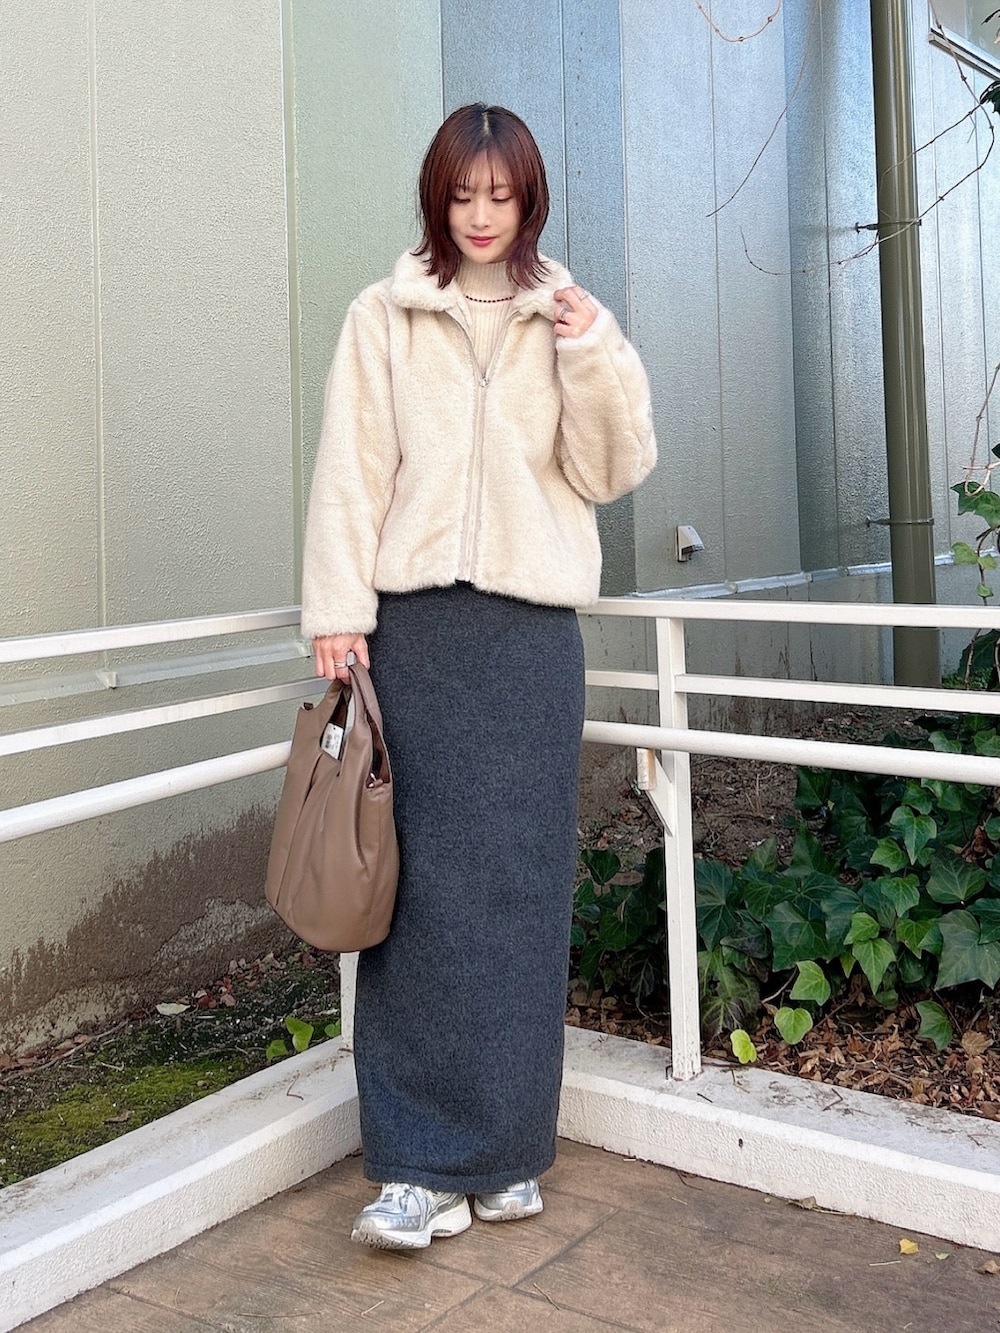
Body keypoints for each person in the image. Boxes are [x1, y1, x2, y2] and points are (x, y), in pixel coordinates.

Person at [301, 103, 656, 1250]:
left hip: (530, 643)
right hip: (416, 635)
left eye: (501, 196)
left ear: (529, 199)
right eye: (463, 195)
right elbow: (352, 470)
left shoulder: (569, 315)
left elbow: (613, 468)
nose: (482, 216)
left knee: (518, 889)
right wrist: (338, 610)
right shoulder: (385, 314)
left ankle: (504, 1152)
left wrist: (588, 352)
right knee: (419, 895)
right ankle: (415, 1167)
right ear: (437, 198)